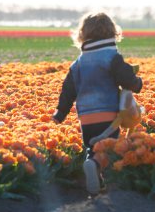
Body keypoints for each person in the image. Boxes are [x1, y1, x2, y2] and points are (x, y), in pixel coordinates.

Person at [52, 12, 143, 195]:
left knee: (92, 146)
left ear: (82, 35)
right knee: (109, 148)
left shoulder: (77, 63)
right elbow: (125, 78)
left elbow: (67, 90)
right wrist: (137, 84)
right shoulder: (112, 57)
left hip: (86, 117)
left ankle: (95, 175)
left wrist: (60, 113)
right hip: (108, 114)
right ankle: (97, 168)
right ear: (113, 33)